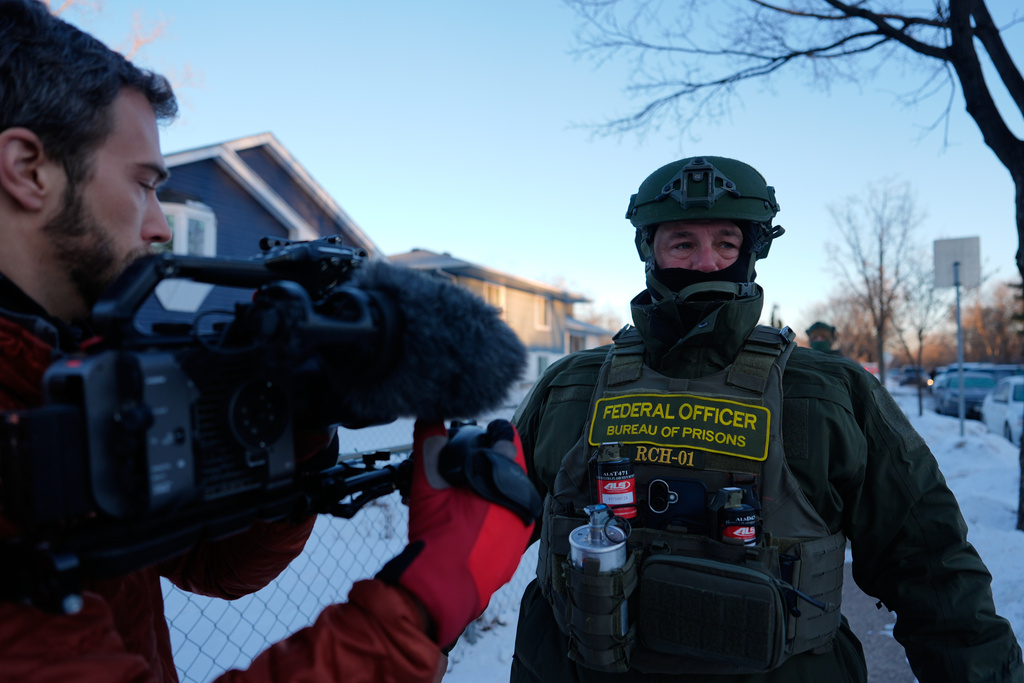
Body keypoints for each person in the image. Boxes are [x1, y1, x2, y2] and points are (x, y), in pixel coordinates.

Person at [0, 1, 533, 681]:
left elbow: (215, 563)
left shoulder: (62, 366)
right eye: (143, 186)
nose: (161, 228)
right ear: (28, 168)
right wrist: (426, 602)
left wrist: (295, 419)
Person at [510, 155, 1022, 682]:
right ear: (650, 250)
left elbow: (931, 566)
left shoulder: (829, 392)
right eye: (683, 242)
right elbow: (478, 533)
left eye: (726, 243)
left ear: (752, 251)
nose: (707, 263)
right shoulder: (572, 386)